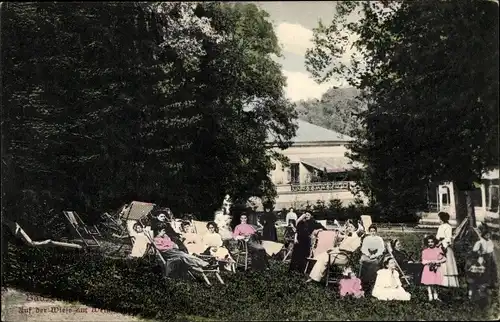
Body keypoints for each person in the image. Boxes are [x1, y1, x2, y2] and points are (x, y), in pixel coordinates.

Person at [436, 212, 459, 288]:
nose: (438, 220)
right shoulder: (441, 226)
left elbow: (448, 238)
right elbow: (438, 237)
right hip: (440, 246)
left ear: (442, 218)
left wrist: (443, 246)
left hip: (445, 247)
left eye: (439, 218)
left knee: (447, 264)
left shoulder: (448, 227)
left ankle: (449, 282)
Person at [359, 225, 385, 292]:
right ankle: (363, 282)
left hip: (376, 255)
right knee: (363, 262)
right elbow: (363, 248)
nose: (372, 232)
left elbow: (381, 249)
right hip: (367, 254)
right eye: (371, 231)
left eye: (374, 231)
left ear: (376, 231)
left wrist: (375, 255)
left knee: (375, 264)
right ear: (369, 231)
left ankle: (372, 283)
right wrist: (368, 254)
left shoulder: (379, 239)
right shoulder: (366, 238)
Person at [421, 236, 446, 302]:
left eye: (432, 242)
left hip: (436, 268)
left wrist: (438, 261)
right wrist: (430, 262)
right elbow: (423, 261)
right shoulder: (425, 251)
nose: (430, 243)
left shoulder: (438, 250)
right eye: (429, 242)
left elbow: (444, 259)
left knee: (435, 282)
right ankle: (430, 296)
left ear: (435, 242)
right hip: (428, 268)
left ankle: (436, 296)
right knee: (428, 283)